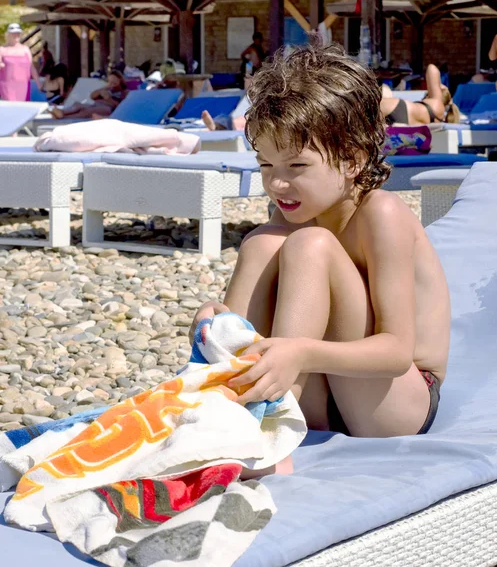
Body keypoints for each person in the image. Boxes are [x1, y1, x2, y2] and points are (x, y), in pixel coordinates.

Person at [190, 43, 450, 474]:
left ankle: (270, 434)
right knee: (262, 240)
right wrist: (217, 322)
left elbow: (397, 352)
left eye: (296, 166)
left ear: (352, 159)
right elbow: (264, 321)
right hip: (321, 393)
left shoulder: (381, 214)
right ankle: (232, 407)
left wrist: (301, 354)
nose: (278, 184)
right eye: (266, 165)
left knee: (309, 245)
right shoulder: (290, 213)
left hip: (393, 402)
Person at [381, 63, 460, 125]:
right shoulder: (438, 119)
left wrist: (439, 85)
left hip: (400, 109)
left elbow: (432, 68)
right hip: (402, 122)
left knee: (384, 89)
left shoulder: (437, 103)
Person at [50, 70, 128, 120]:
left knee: (87, 111)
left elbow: (121, 107)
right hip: (97, 104)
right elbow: (92, 96)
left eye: (114, 82)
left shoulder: (124, 92)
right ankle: (62, 112)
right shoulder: (107, 88)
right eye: (110, 81)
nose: (112, 84)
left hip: (108, 108)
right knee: (78, 105)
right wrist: (104, 88)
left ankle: (63, 117)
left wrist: (109, 99)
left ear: (120, 80)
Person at [0, 23, 41, 101]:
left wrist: (38, 84)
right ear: (8, 35)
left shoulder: (25, 49)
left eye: (18, 33)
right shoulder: (2, 50)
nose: (16, 36)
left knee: (23, 108)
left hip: (23, 86)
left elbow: (31, 67)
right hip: (7, 86)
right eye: (13, 34)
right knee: (10, 108)